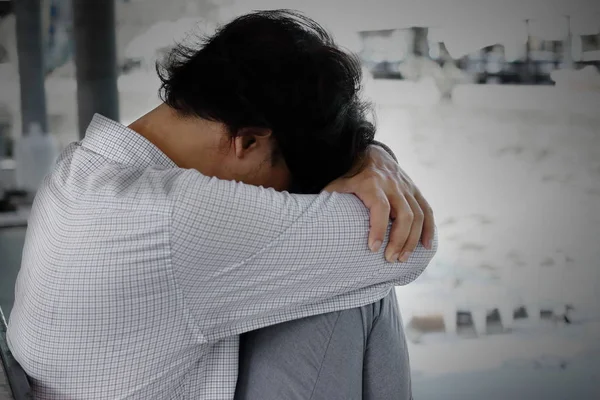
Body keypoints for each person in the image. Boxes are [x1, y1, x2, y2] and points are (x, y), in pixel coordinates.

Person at [7, 10, 437, 400]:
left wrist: (371, 156)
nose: (283, 198)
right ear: (247, 140)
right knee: (359, 279)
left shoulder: (78, 169)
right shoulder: (174, 216)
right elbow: (407, 247)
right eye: (287, 187)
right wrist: (376, 161)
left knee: (336, 273)